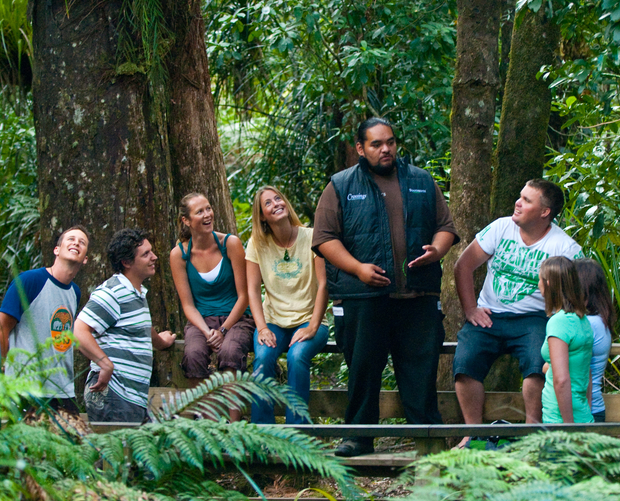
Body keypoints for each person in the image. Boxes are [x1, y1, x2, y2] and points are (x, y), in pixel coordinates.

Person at [313, 117, 458, 457]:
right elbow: (324, 239)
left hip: (416, 297)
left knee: (420, 371)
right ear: (361, 149)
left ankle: (428, 441)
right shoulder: (341, 185)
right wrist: (358, 269)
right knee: (363, 368)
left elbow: (445, 226)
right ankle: (358, 438)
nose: (385, 149)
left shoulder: (421, 180)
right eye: (376, 144)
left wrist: (437, 249)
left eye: (390, 142)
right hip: (364, 299)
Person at [452, 179, 582, 447]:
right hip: (489, 313)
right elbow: (462, 266)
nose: (518, 203)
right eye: (519, 196)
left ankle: (530, 433)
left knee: (537, 365)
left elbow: (576, 292)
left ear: (545, 212)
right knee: (465, 364)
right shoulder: (501, 227)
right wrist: (470, 309)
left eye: (527, 200)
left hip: (533, 318)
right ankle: (471, 434)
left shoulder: (565, 247)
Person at [73, 228, 176, 423]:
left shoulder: (136, 293)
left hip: (131, 398)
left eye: (151, 251)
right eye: (146, 254)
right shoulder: (113, 291)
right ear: (126, 262)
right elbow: (79, 330)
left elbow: (140, 328)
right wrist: (104, 363)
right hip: (113, 393)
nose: (154, 257)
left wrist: (161, 341)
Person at [246, 186, 329, 424]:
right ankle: (264, 434)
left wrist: (312, 327)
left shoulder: (312, 236)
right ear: (262, 216)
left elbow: (324, 285)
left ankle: (296, 432)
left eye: (278, 199)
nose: (276, 204)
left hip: (310, 321)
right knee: (262, 359)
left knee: (297, 356)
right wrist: (262, 328)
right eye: (268, 204)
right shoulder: (257, 243)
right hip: (273, 322)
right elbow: (252, 290)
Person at [170, 192, 254, 421]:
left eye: (208, 208)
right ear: (186, 220)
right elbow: (188, 305)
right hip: (201, 320)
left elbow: (244, 296)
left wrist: (223, 330)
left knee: (230, 351)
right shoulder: (179, 255)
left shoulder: (230, 244)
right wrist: (207, 332)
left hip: (236, 318)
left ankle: (233, 425)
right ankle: (208, 421)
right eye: (200, 211)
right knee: (193, 353)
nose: (207, 214)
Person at [0, 226, 90, 414]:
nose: (76, 242)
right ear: (56, 250)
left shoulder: (74, 292)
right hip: (27, 388)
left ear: (85, 259)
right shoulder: (30, 281)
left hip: (63, 389)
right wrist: (2, 368)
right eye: (70, 239)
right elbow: (0, 330)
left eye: (82, 242)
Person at [538, 256, 594, 423]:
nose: (537, 284)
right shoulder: (582, 319)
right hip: (581, 412)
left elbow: (561, 380)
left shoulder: (559, 322)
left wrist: (569, 426)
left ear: (548, 284)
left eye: (539, 280)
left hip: (560, 418)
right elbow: (586, 371)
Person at [574, 258, 615, 423]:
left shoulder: (587, 325)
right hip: (591, 408)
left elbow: (576, 370)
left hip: (584, 411)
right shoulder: (600, 320)